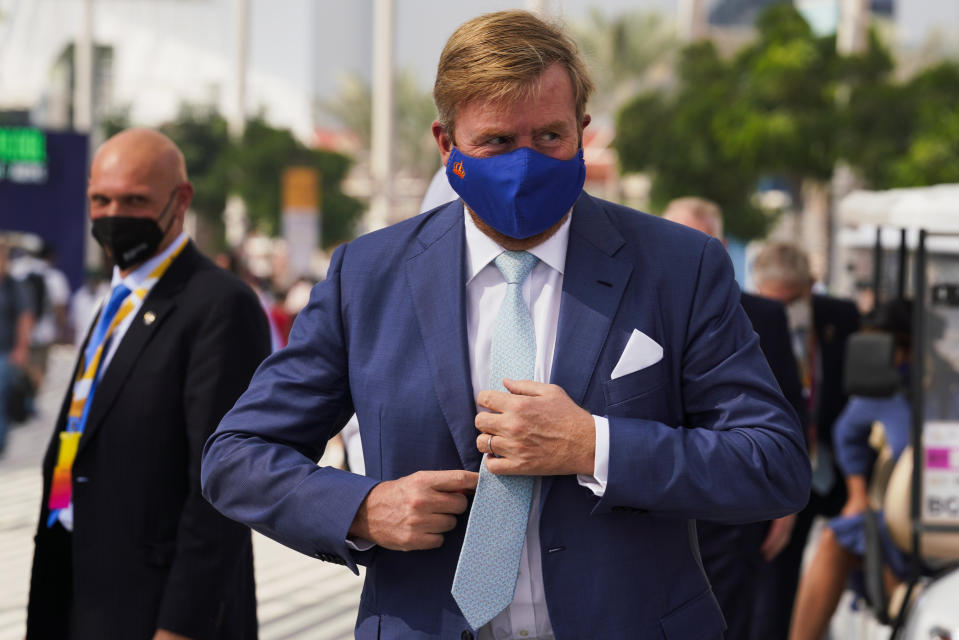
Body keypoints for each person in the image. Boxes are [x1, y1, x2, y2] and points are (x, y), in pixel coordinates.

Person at [202, 11, 810, 639]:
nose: (526, 164)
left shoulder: (677, 268)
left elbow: (773, 462)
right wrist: (361, 509)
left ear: (582, 130)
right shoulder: (368, 277)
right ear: (447, 145)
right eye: (496, 141)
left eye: (549, 136)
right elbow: (237, 457)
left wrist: (594, 445)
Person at [26, 128, 271, 640]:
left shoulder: (218, 305)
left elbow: (219, 485)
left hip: (156, 609)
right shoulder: (114, 300)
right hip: (76, 587)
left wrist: (180, 625)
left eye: (135, 200)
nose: (114, 213)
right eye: (101, 199)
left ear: (180, 200)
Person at [663, 197, 807, 640]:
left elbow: (788, 408)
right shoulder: (634, 311)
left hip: (731, 507)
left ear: (721, 248)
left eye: (699, 242)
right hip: (653, 501)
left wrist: (785, 509)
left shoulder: (765, 315)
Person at [749, 241, 860, 640]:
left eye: (792, 300)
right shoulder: (744, 320)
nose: (782, 310)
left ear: (811, 287)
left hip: (835, 469)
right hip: (779, 470)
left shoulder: (841, 318)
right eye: (772, 300)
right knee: (776, 579)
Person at [789, 299, 913, 640]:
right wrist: (857, 493)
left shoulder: (946, 387)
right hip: (904, 522)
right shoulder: (882, 391)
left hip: (942, 517)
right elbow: (847, 434)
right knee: (837, 537)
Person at [13, 241, 71, 388]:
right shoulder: (55, 277)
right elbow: (60, 310)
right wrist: (63, 333)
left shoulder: (17, 271)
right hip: (45, 334)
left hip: (19, 334)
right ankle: (31, 400)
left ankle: (23, 401)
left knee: (21, 372)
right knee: (39, 373)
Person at [0, 241, 34, 456]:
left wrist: (21, 348)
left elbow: (25, 317)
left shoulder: (14, 287)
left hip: (5, 353)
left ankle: (0, 440)